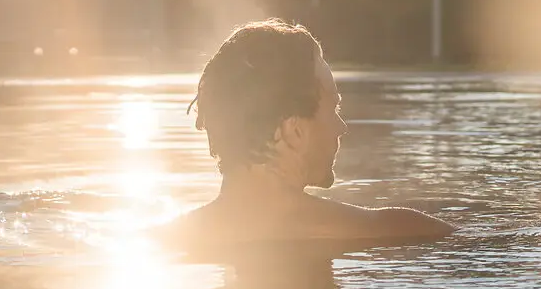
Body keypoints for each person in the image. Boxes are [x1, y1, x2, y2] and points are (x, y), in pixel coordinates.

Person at [163, 19, 451, 250]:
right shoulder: (402, 230)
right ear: (294, 131)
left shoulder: (162, 241)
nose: (341, 127)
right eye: (333, 107)